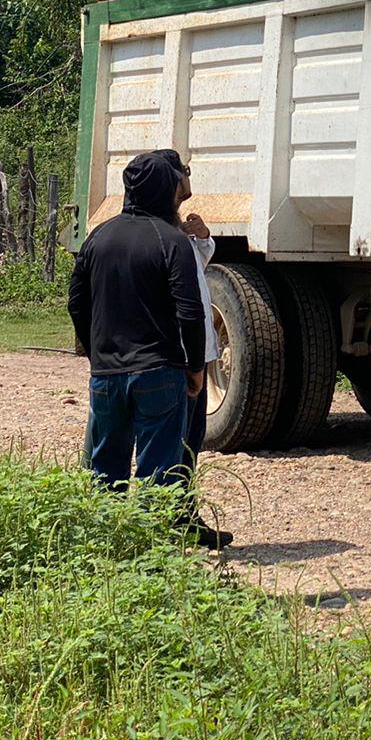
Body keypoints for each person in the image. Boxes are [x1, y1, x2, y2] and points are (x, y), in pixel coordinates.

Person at [68, 150, 206, 497]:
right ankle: (152, 544)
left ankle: (110, 545)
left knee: (105, 474)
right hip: (159, 371)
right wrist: (195, 366)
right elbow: (190, 313)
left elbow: (76, 304)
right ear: (166, 189)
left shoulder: (97, 238)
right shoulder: (173, 242)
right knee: (160, 476)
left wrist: (95, 354)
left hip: (106, 374)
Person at [154, 148, 233, 550]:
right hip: (180, 356)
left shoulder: (177, 231)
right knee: (167, 445)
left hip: (196, 352)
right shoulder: (159, 234)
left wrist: (203, 239)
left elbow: (195, 268)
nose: (188, 177)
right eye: (183, 172)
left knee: (189, 442)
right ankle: (157, 528)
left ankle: (182, 518)